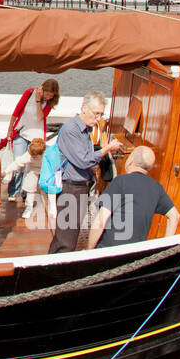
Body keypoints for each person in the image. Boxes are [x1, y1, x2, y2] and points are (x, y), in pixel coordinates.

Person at [48, 91, 125, 254]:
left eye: (101, 114)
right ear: (84, 108)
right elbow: (83, 160)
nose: (98, 118)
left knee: (67, 235)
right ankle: (57, 272)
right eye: (96, 113)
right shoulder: (71, 130)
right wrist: (107, 149)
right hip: (71, 188)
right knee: (66, 240)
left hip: (79, 186)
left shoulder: (85, 131)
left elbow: (84, 158)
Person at [88, 146, 179, 248]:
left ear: (131, 161)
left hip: (109, 251)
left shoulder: (120, 181)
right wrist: (164, 249)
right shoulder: (157, 187)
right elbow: (175, 216)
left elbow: (100, 221)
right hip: (136, 253)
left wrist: (88, 250)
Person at [0, 78, 60, 197]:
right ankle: (13, 193)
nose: (47, 98)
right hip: (22, 132)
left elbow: (41, 117)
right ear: (42, 88)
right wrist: (10, 129)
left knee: (30, 166)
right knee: (18, 162)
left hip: (36, 137)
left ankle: (25, 193)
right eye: (46, 94)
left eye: (50, 96)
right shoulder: (29, 93)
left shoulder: (49, 103)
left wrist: (38, 102)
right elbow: (17, 111)